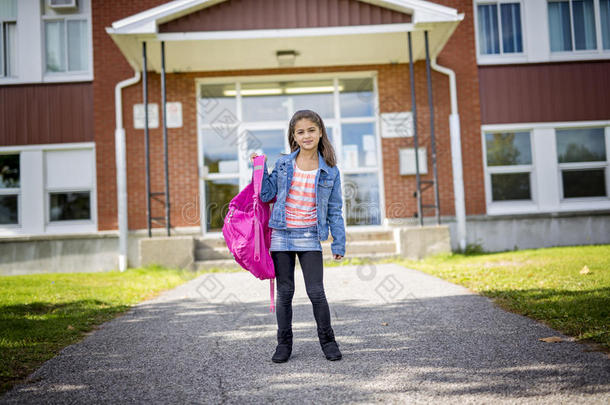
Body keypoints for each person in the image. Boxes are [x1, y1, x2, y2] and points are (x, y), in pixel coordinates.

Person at [250, 109, 346, 363]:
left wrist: (339, 241)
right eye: (300, 132)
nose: (306, 136)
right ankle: (284, 344)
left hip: (310, 235)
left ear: (320, 132)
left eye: (311, 130)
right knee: (285, 292)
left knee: (316, 292)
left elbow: (335, 210)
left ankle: (328, 341)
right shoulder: (283, 163)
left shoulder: (331, 171)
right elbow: (265, 195)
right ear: (293, 136)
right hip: (281, 234)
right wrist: (258, 169)